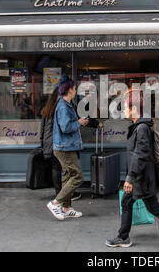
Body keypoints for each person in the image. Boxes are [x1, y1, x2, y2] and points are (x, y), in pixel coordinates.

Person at [106, 89, 159, 249]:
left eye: (124, 106)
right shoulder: (139, 126)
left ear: (134, 108)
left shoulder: (142, 127)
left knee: (153, 207)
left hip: (142, 178)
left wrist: (130, 178)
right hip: (140, 177)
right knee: (128, 202)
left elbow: (141, 154)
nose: (122, 110)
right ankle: (123, 236)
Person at [46, 75, 90, 221]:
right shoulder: (63, 106)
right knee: (77, 176)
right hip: (64, 147)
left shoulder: (65, 104)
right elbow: (65, 127)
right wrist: (79, 122)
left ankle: (66, 208)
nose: (76, 90)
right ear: (70, 90)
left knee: (68, 176)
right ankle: (55, 203)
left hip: (66, 146)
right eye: (74, 88)